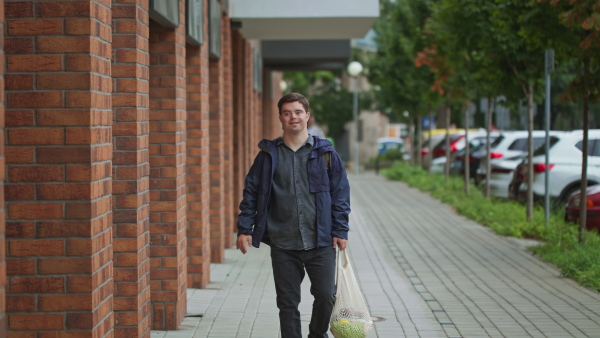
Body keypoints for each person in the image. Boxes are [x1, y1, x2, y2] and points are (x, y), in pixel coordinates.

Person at [236, 93, 351, 338]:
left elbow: (341, 194)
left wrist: (340, 230)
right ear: (280, 117)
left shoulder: (326, 154)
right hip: (283, 242)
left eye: (298, 112)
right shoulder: (268, 155)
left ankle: (316, 335)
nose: (293, 117)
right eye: (287, 112)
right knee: (287, 303)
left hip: (319, 241)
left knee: (325, 296)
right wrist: (245, 228)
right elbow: (252, 192)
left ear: (307, 116)